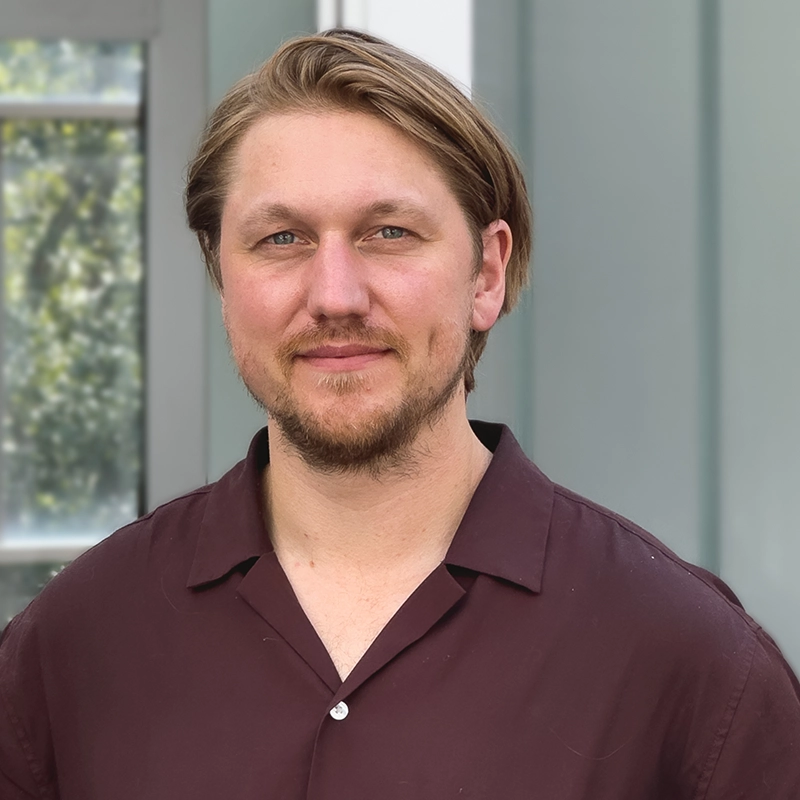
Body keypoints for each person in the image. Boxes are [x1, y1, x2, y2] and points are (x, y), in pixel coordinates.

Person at [1, 29, 799, 800]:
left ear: (487, 273)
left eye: (389, 232)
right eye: (281, 238)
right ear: (221, 277)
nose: (335, 296)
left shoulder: (688, 663)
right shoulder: (71, 649)